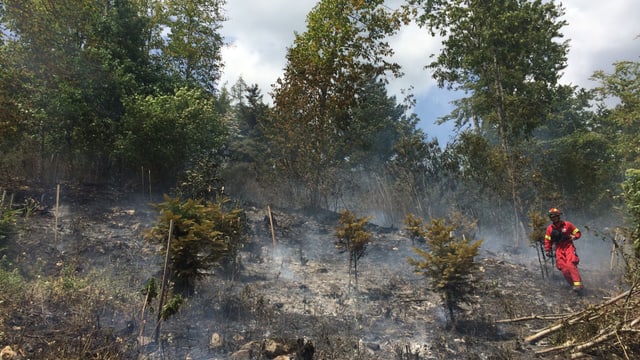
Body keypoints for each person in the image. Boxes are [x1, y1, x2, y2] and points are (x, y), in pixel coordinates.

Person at [544, 207, 583, 294]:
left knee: (570, 264)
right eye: (552, 217)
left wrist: (574, 236)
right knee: (564, 268)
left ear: (558, 216)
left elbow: (578, 232)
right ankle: (574, 285)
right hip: (559, 249)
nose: (554, 218)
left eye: (555, 216)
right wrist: (547, 250)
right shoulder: (550, 229)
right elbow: (547, 240)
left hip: (568, 246)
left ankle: (578, 285)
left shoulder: (567, 225)